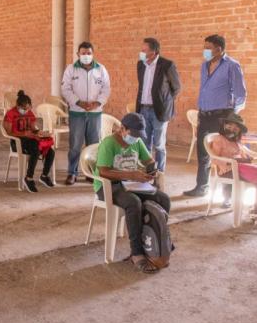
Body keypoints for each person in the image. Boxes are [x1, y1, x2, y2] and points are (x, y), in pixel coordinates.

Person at [93, 113, 171, 274]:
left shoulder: (137, 142)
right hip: (108, 186)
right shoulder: (109, 143)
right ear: (122, 129)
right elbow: (103, 172)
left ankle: (156, 243)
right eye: (133, 135)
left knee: (163, 199)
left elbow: (148, 160)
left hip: (132, 183)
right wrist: (131, 175)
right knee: (133, 202)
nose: (135, 139)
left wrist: (151, 170)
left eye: (138, 136)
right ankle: (136, 253)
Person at [184, 34, 247, 197]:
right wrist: (199, 116)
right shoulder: (204, 66)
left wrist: (232, 118)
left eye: (208, 48)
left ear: (219, 49)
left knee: (224, 154)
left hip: (222, 116)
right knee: (203, 152)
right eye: (204, 47)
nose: (205, 51)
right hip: (204, 115)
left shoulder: (232, 66)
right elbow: (204, 91)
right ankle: (201, 187)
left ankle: (227, 195)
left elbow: (240, 94)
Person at [61, 41, 111, 185]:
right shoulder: (71, 69)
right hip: (77, 113)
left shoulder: (101, 69)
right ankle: (72, 173)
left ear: (93, 54)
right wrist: (78, 102)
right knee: (75, 145)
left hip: (95, 113)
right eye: (83, 53)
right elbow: (66, 89)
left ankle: (90, 173)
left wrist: (97, 103)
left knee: (93, 145)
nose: (86, 56)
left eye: (89, 53)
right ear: (78, 54)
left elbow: (106, 89)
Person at [210, 113, 257, 217]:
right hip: (228, 170)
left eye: (236, 127)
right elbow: (214, 158)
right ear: (224, 125)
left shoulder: (236, 141)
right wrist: (224, 165)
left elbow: (246, 152)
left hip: (241, 168)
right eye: (230, 125)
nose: (232, 128)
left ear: (239, 130)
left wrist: (253, 157)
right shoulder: (219, 139)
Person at [135, 37, 181, 173]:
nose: (141, 53)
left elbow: (176, 87)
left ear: (154, 52)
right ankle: (148, 171)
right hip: (143, 108)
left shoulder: (167, 65)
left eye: (144, 50)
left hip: (159, 111)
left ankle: (160, 172)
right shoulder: (141, 64)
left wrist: (164, 101)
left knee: (159, 144)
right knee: (144, 142)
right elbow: (142, 86)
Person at [3, 90, 56, 193]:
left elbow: (33, 129)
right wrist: (24, 134)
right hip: (17, 142)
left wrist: (40, 132)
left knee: (50, 152)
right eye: (24, 108)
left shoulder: (30, 113)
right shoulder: (10, 114)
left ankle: (44, 176)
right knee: (35, 148)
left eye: (28, 108)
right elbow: (8, 133)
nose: (26, 110)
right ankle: (29, 178)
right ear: (17, 106)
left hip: (30, 139)